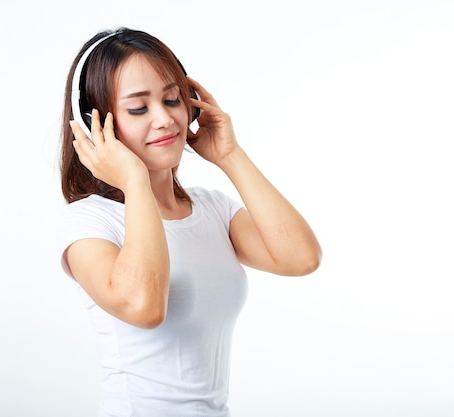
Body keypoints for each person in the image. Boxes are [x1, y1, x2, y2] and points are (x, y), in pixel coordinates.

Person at [57, 26, 322, 417]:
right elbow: (144, 307)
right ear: (95, 124)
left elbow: (301, 258)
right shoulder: (88, 222)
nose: (165, 119)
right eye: (138, 108)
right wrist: (135, 182)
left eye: (172, 99)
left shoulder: (212, 209)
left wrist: (230, 155)